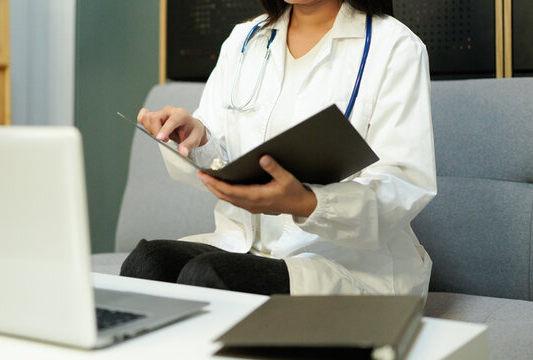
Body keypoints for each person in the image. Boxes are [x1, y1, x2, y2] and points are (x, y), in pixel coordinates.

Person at [120, 0, 436, 297]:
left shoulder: (394, 46)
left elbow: (404, 183)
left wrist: (308, 203)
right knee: (146, 263)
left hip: (344, 263)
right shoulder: (244, 40)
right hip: (243, 248)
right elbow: (223, 159)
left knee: (208, 275)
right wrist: (197, 138)